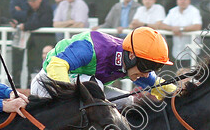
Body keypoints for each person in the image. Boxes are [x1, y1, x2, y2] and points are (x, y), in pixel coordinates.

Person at [30, 27, 176, 103]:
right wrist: (69, 99)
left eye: (153, 68)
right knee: (95, 86)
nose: (146, 74)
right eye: (146, 67)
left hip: (85, 87)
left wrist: (181, 93)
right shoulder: (91, 48)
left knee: (127, 101)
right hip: (46, 84)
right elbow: (56, 65)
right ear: (131, 56)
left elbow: (158, 85)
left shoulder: (133, 63)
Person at [155, 0, 203, 67]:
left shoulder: (194, 11)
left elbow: (197, 26)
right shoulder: (173, 11)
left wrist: (181, 29)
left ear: (189, 1)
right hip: (177, 51)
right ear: (177, 1)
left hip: (192, 52)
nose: (182, 1)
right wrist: (173, 28)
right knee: (179, 75)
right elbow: (162, 25)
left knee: (191, 75)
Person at [9, 0, 40, 76]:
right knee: (17, 63)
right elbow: (12, 12)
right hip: (19, 35)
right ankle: (16, 86)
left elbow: (37, 16)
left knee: (32, 63)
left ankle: (29, 86)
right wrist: (27, 14)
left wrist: (22, 13)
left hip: (35, 37)